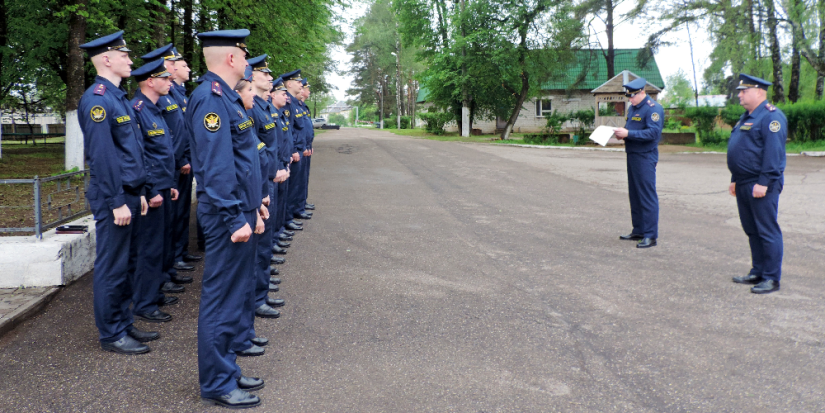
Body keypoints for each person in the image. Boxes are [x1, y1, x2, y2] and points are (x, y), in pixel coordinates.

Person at [186, 29, 264, 409]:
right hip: (225, 217)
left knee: (234, 298)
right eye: (245, 55)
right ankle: (217, 381)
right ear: (231, 58)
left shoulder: (228, 99)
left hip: (239, 210)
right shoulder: (211, 100)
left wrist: (255, 206)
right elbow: (216, 172)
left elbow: (242, 162)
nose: (248, 62)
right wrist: (236, 218)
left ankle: (227, 369)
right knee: (220, 301)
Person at [78, 30, 154, 354]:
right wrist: (116, 201)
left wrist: (138, 192)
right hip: (114, 196)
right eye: (125, 55)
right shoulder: (97, 99)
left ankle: (123, 323)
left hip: (128, 194)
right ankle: (111, 333)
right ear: (107, 59)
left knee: (127, 264)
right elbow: (104, 157)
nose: (131, 60)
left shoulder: (118, 97)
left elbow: (130, 153)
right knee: (113, 266)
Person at [141, 44, 203, 272]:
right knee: (171, 217)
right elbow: (168, 136)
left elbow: (183, 131)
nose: (187, 69)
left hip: (180, 162)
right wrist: (180, 160)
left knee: (181, 212)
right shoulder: (163, 97)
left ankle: (179, 253)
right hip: (172, 167)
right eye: (182, 65)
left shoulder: (178, 95)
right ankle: (173, 259)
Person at [129, 58, 180, 324]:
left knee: (159, 245)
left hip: (162, 186)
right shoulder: (137, 109)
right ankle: (144, 303)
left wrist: (169, 183)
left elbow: (161, 153)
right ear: (151, 81)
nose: (170, 82)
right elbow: (140, 155)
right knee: (148, 248)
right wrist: (150, 190)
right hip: (151, 192)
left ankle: (153, 292)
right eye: (165, 78)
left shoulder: (154, 108)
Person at [728, 74, 787, 294]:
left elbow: (774, 154)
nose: (740, 95)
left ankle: (771, 278)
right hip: (744, 182)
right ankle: (758, 271)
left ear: (759, 92)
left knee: (766, 230)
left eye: (744, 91)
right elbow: (742, 150)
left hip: (761, 184)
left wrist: (764, 182)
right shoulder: (747, 116)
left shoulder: (771, 117)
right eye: (740, 91)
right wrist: (735, 179)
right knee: (752, 230)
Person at [247, 55, 286, 318]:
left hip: (268, 179)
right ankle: (257, 297)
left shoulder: (263, 107)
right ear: (251, 77)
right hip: (261, 181)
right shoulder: (251, 108)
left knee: (263, 243)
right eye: (264, 74)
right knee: (258, 244)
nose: (270, 78)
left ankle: (260, 292)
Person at [613, 77, 664, 249]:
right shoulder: (634, 108)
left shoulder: (653, 109)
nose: (630, 99)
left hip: (645, 156)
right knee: (635, 194)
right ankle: (639, 230)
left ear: (642, 92)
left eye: (632, 96)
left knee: (647, 196)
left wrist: (628, 134)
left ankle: (650, 235)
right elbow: (632, 129)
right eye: (628, 96)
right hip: (633, 155)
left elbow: (653, 134)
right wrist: (622, 134)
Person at [269, 77, 293, 268]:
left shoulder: (279, 114)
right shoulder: (269, 113)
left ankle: (275, 236)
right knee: (271, 208)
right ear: (273, 95)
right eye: (283, 93)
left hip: (282, 164)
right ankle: (271, 242)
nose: (286, 97)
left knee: (279, 204)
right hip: (273, 168)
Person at [280, 69, 308, 229]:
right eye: (298, 82)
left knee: (295, 185)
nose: (301, 85)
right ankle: (287, 218)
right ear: (289, 84)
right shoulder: (288, 103)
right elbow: (288, 131)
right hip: (292, 151)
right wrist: (293, 150)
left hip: (297, 149)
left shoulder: (294, 102)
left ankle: (289, 216)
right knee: (289, 188)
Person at [297, 78, 314, 219]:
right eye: (306, 88)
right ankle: (296, 208)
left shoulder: (303, 106)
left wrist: (309, 145)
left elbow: (306, 129)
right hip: (299, 149)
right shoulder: (293, 105)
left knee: (303, 178)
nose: (308, 91)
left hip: (305, 148)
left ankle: (301, 203)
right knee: (297, 182)